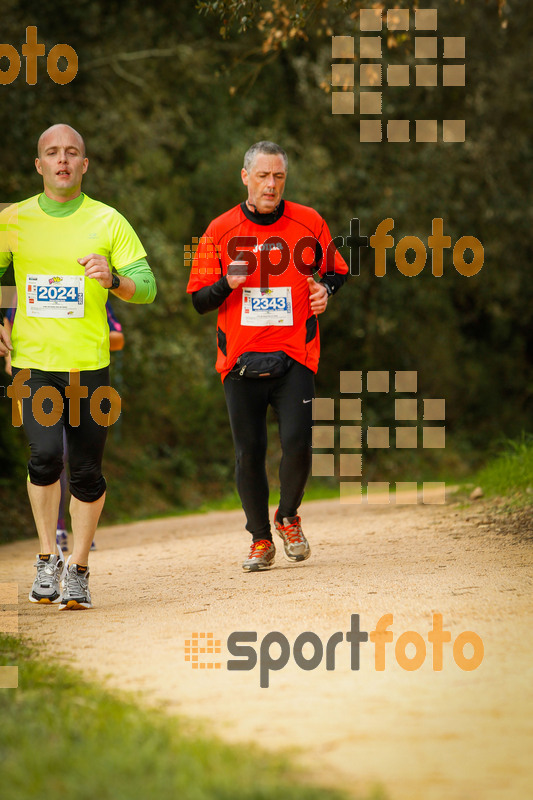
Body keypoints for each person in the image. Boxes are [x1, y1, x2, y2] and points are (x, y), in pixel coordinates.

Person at [0, 123, 156, 609]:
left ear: (84, 165)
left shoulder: (108, 221)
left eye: (72, 153)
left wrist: (114, 280)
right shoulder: (14, 220)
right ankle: (48, 557)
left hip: (89, 366)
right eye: (52, 152)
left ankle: (80, 568)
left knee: (86, 472)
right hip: (34, 364)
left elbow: (147, 287)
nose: (63, 160)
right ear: (39, 164)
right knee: (45, 457)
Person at [187, 141, 348, 572]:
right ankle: (260, 539)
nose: (270, 184)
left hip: (295, 355)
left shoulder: (309, 222)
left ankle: (288, 516)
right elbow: (200, 300)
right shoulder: (219, 230)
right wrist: (227, 283)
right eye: (262, 175)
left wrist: (324, 290)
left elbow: (336, 270)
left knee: (298, 444)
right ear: (245, 177)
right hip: (239, 361)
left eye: (278, 176)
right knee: (249, 453)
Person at [3, 299, 125, 554]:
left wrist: (88, 335)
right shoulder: (17, 287)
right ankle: (56, 532)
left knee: (77, 459)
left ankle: (76, 530)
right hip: (36, 375)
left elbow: (118, 338)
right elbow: (7, 318)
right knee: (49, 453)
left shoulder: (92, 287)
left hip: (84, 376)